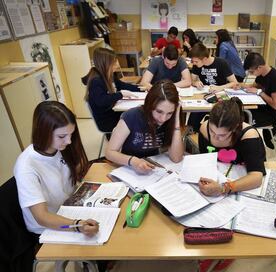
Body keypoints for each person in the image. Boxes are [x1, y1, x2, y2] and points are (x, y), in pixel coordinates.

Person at [14, 101, 99, 237]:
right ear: (43, 132)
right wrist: (76, 226)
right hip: (50, 225)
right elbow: (42, 217)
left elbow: (72, 175)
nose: (69, 141)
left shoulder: (59, 147)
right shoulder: (26, 167)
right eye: (62, 136)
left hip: (70, 208)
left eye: (71, 134)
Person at [105, 80, 184, 173]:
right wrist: (133, 161)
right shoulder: (131, 116)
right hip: (128, 166)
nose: (163, 119)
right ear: (150, 105)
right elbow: (109, 152)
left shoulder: (171, 119)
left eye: (169, 113)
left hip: (153, 166)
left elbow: (176, 158)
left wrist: (176, 120)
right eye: (159, 111)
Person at [198, 98, 265, 196]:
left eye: (222, 135)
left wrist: (224, 188)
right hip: (215, 179)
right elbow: (205, 160)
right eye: (212, 131)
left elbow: (256, 177)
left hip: (240, 185)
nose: (215, 137)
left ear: (235, 128)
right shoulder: (205, 129)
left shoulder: (248, 136)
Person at [83, 47, 140, 135]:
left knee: (135, 115)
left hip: (112, 113)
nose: (117, 65)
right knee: (134, 119)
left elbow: (122, 85)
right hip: (106, 120)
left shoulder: (108, 75)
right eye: (114, 63)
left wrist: (141, 88)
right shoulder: (96, 81)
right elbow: (102, 101)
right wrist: (120, 94)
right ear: (105, 64)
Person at [188, 42, 238, 131]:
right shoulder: (197, 65)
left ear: (205, 58)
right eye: (193, 61)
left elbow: (234, 83)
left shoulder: (221, 63)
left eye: (196, 61)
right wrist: (196, 83)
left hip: (220, 98)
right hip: (204, 97)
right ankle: (198, 136)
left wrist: (220, 87)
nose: (194, 64)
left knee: (218, 122)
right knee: (192, 122)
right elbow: (192, 80)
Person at [240, 52, 276, 149]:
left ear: (259, 67)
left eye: (252, 72)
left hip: (269, 115)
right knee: (237, 113)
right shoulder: (261, 74)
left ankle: (248, 147)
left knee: (239, 120)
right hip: (260, 107)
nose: (251, 74)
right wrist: (239, 86)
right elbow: (253, 87)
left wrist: (259, 93)